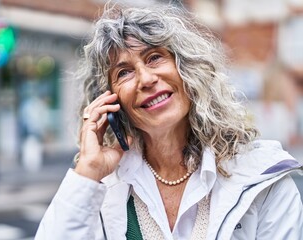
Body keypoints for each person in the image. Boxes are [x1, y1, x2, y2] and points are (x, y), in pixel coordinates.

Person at [35, 5, 303, 240]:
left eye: (155, 57)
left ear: (188, 70)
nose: (146, 79)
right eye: (124, 72)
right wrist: (87, 173)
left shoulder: (263, 180)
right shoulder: (103, 190)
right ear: (110, 101)